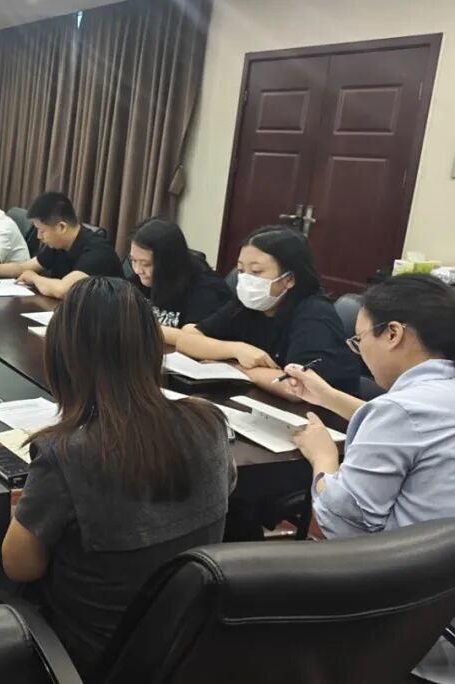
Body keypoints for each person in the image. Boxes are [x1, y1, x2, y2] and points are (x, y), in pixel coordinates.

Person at [1, 278, 234, 681]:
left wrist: (25, 509)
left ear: (64, 358)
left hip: (92, 661)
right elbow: (223, 488)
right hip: (187, 649)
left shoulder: (64, 453)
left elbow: (19, 567)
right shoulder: (209, 422)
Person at [284, 274, 455, 683]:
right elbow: (413, 429)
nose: (359, 352)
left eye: (359, 340)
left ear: (393, 333)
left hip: (416, 623)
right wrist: (326, 396)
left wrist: (323, 458)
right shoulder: (434, 397)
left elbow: (344, 525)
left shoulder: (399, 411)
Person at [177, 226, 360, 400]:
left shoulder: (315, 313)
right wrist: (236, 349)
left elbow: (299, 387)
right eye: (241, 270)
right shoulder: (245, 305)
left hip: (322, 416)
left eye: (256, 271)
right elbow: (187, 339)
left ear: (289, 279)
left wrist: (236, 368)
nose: (246, 279)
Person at [0, 191, 122, 298]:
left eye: (42, 230)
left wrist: (34, 278)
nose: (39, 236)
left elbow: (63, 289)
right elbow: (23, 267)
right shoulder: (58, 245)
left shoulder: (97, 251)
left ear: (61, 227)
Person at [128, 218, 232, 345]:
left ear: (169, 262)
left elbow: (195, 341)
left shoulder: (207, 290)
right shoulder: (138, 280)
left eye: (146, 264)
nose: (138, 270)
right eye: (133, 260)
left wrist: (141, 329)